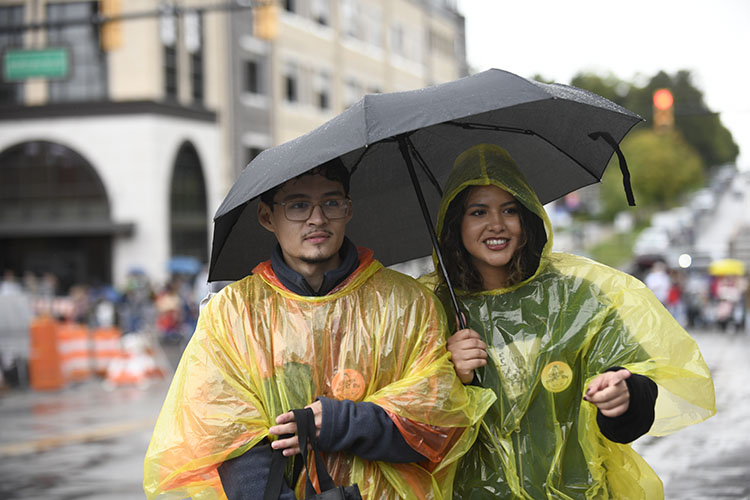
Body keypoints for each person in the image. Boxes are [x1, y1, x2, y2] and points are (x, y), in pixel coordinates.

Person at [143, 160, 494, 499]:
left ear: (349, 209)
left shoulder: (408, 303)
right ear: (267, 216)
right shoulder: (233, 313)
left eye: (331, 202)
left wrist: (343, 424)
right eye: (298, 205)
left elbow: (434, 425)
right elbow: (226, 433)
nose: (317, 218)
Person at [420, 144, 716, 499]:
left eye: (509, 209)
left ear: (528, 218)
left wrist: (623, 397)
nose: (496, 224)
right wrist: (450, 377)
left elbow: (631, 385)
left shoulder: (576, 298)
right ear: (456, 223)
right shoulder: (431, 313)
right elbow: (414, 430)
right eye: (478, 211)